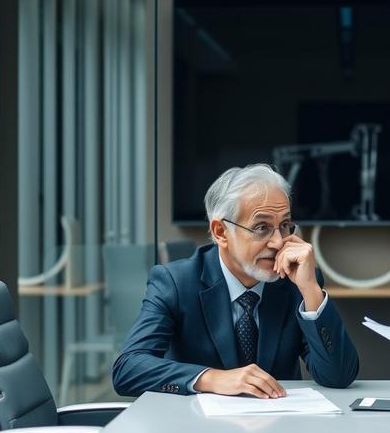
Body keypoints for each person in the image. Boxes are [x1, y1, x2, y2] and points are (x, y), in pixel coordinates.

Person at [113, 164, 359, 398]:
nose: (278, 242)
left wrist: (311, 291)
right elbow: (128, 369)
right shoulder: (176, 282)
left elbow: (339, 376)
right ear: (221, 232)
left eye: (284, 225)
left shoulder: (298, 281)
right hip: (194, 430)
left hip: (281, 430)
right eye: (261, 227)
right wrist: (211, 378)